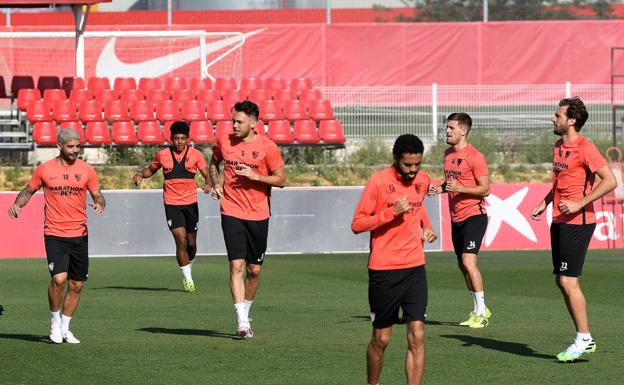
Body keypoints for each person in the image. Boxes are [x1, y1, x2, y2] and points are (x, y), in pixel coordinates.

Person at [531, 97, 616, 362]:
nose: (552, 119)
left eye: (557, 115)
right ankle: (583, 337)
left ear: (572, 120)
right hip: (558, 220)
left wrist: (580, 202)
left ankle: (584, 338)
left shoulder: (586, 148)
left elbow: (610, 181)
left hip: (578, 223)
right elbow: (559, 182)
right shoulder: (558, 146)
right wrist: (545, 202)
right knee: (561, 280)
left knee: (568, 280)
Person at [352, 134, 438, 385]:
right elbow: (357, 224)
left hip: (415, 267)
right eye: (407, 165)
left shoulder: (423, 179)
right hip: (384, 270)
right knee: (382, 339)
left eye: (417, 164)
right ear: (395, 159)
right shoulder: (378, 182)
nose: (413, 171)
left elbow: (418, 204)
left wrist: (427, 226)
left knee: (417, 335)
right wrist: (391, 213)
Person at [8, 128, 106, 344]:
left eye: (77, 146)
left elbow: (98, 194)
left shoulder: (87, 170)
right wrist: (17, 204)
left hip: (79, 234)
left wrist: (99, 203)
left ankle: (65, 327)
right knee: (59, 279)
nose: (75, 150)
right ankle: (54, 322)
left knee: (77, 285)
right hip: (54, 233)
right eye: (70, 146)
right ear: (59, 146)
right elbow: (28, 190)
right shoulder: (44, 169)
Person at [209, 100, 286, 338]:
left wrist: (255, 176)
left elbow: (281, 180)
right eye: (232, 120)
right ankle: (242, 321)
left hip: (259, 214)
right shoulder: (224, 141)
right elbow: (214, 162)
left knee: (254, 270)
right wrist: (215, 182)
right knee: (236, 266)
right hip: (231, 210)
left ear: (253, 124)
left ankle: (247, 310)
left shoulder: (268, 147)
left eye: (239, 121)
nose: (233, 125)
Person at [427, 112, 491, 328]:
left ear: (463, 130)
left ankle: (482, 313)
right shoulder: (447, 154)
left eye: (451, 128)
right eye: (447, 127)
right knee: (463, 266)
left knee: (468, 261)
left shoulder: (475, 156)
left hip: (474, 215)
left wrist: (460, 188)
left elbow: (486, 189)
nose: (447, 131)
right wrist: (440, 189)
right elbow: (451, 182)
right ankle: (477, 309)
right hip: (456, 219)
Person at [133, 121, 211, 292]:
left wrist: (208, 184)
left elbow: (207, 175)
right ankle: (188, 280)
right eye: (176, 138)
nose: (180, 142)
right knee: (181, 241)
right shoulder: (162, 155)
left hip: (190, 204)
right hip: (172, 204)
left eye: (183, 138)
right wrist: (140, 175)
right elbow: (151, 170)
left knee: (191, 244)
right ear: (171, 138)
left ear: (187, 139)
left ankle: (188, 265)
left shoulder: (196, 155)